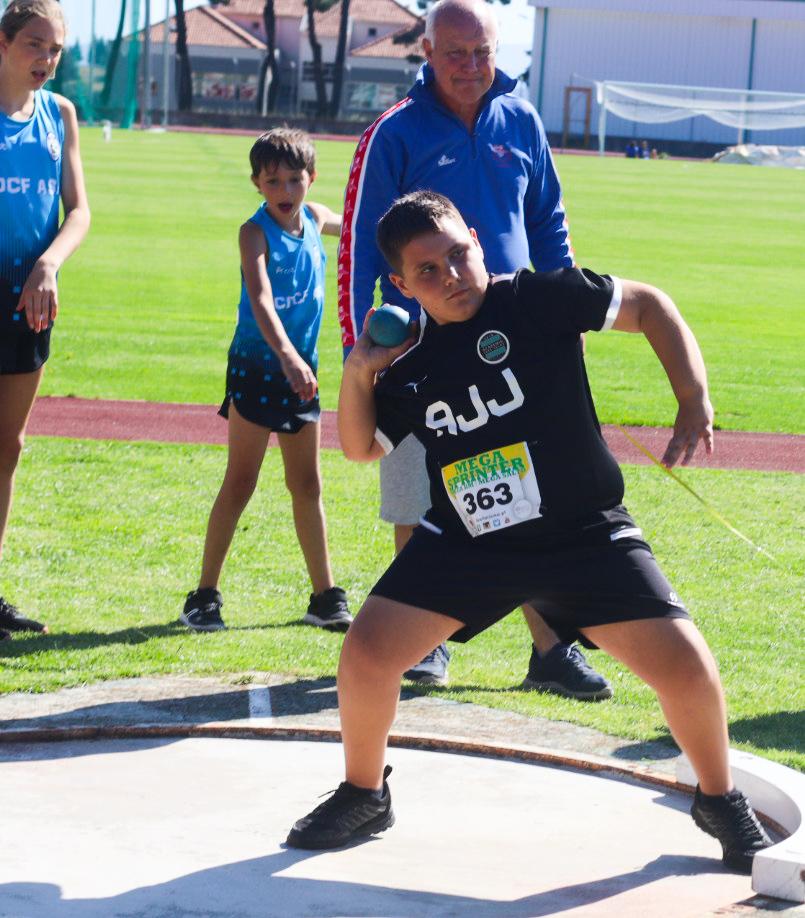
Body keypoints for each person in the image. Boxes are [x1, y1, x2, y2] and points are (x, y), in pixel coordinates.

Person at [285, 191, 771, 873]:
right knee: (365, 655)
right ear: (399, 285)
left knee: (686, 666)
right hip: (469, 544)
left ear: (477, 241)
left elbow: (650, 305)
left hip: (582, 534)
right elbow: (363, 448)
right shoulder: (410, 358)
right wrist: (362, 371)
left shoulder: (536, 298)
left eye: (459, 254)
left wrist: (693, 397)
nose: (451, 275)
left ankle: (719, 800)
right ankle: (365, 792)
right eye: (428, 271)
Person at [339, 0, 609, 696]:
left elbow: (548, 218)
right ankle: (423, 642)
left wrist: (565, 316)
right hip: (422, 347)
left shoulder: (520, 119)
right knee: (417, 489)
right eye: (455, 53)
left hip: (518, 341)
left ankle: (551, 648)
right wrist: (360, 354)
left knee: (527, 489)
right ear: (425, 50)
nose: (470, 67)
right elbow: (357, 244)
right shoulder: (393, 133)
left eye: (483, 52)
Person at [180, 129, 352, 633]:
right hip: (261, 367)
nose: (285, 188)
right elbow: (260, 298)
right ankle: (204, 596)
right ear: (256, 183)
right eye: (272, 179)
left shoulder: (316, 218)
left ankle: (324, 597)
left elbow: (365, 231)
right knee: (241, 481)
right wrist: (287, 357)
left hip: (302, 371)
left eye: (295, 179)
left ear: (311, 180)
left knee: (307, 483)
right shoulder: (253, 232)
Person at [0, 0, 88, 641]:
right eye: (35, 45)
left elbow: (79, 210)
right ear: (3, 42)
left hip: (29, 300)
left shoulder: (60, 115)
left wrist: (49, 263)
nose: (47, 60)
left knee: (8, 447)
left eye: (55, 49)